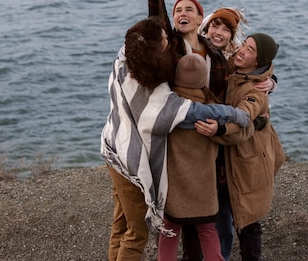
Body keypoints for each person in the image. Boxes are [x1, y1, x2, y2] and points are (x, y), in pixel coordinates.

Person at [144, 0, 275, 260]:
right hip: (181, 142)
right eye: (178, 10)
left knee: (214, 215)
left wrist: (271, 78)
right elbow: (156, 14)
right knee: (182, 216)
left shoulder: (218, 56)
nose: (182, 13)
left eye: (190, 9)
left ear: (200, 17)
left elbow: (246, 77)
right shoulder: (171, 46)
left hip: (213, 141)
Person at [101, 17, 251, 261]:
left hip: (111, 147)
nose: (168, 43)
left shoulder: (125, 57)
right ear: (152, 50)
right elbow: (190, 112)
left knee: (121, 225)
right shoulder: (152, 92)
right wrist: (234, 113)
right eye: (163, 41)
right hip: (127, 159)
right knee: (136, 232)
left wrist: (263, 76)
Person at [196, 33, 286, 261]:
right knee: (225, 212)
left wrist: (219, 129)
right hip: (233, 157)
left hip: (249, 156)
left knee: (247, 219)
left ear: (257, 61)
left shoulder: (257, 90)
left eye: (250, 50)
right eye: (244, 44)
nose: (242, 50)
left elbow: (244, 118)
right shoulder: (234, 68)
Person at [158, 53, 237, 261]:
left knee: (170, 231)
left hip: (175, 184)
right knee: (208, 229)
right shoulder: (212, 108)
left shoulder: (169, 106)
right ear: (204, 78)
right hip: (204, 184)